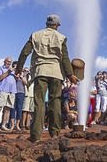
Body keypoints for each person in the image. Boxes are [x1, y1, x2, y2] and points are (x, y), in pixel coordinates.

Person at [16, 14, 78, 142]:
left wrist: (18, 69)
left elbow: (24, 53)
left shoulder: (35, 35)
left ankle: (35, 136)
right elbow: (65, 58)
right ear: (57, 25)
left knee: (39, 103)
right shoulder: (61, 38)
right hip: (56, 73)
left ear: (47, 24)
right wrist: (70, 75)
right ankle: (54, 134)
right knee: (55, 102)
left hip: (40, 72)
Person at [0, 57, 17, 130]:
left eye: (10, 62)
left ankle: (3, 125)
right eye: (8, 61)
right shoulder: (0, 68)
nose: (9, 63)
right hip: (3, 90)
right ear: (4, 61)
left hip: (12, 91)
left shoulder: (13, 70)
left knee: (8, 109)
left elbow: (16, 78)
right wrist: (8, 72)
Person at [9, 61, 26, 130]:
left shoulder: (23, 74)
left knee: (19, 108)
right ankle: (12, 125)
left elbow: (26, 83)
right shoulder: (11, 74)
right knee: (12, 108)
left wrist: (21, 77)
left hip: (21, 92)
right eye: (15, 66)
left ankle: (18, 125)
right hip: (12, 92)